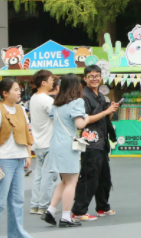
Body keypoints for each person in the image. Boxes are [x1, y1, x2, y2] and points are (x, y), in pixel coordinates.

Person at [0, 78, 41, 238]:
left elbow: (26, 131)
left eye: (19, 89)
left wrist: (28, 153)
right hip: (3, 160)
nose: (19, 91)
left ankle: (17, 237)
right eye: (15, 89)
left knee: (17, 200)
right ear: (4, 93)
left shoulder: (21, 109)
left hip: (19, 158)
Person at [72, 64, 121, 221]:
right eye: (91, 76)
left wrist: (111, 110)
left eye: (97, 76)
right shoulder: (83, 97)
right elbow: (84, 120)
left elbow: (105, 117)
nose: (94, 79)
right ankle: (79, 211)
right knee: (89, 176)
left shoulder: (100, 95)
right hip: (90, 142)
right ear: (85, 78)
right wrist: (106, 112)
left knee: (104, 177)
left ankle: (102, 207)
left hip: (102, 141)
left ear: (101, 77)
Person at [42, 74, 89, 228]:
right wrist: (87, 118)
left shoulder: (56, 104)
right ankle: (66, 217)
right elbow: (80, 124)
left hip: (55, 144)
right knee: (72, 182)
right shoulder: (77, 102)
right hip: (68, 145)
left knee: (64, 181)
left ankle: (50, 210)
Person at [29, 70, 58, 214]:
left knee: (39, 176)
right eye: (51, 79)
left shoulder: (33, 98)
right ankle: (45, 206)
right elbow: (56, 117)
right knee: (49, 176)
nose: (53, 82)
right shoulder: (47, 100)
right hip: (49, 142)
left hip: (38, 142)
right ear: (43, 82)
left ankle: (35, 204)